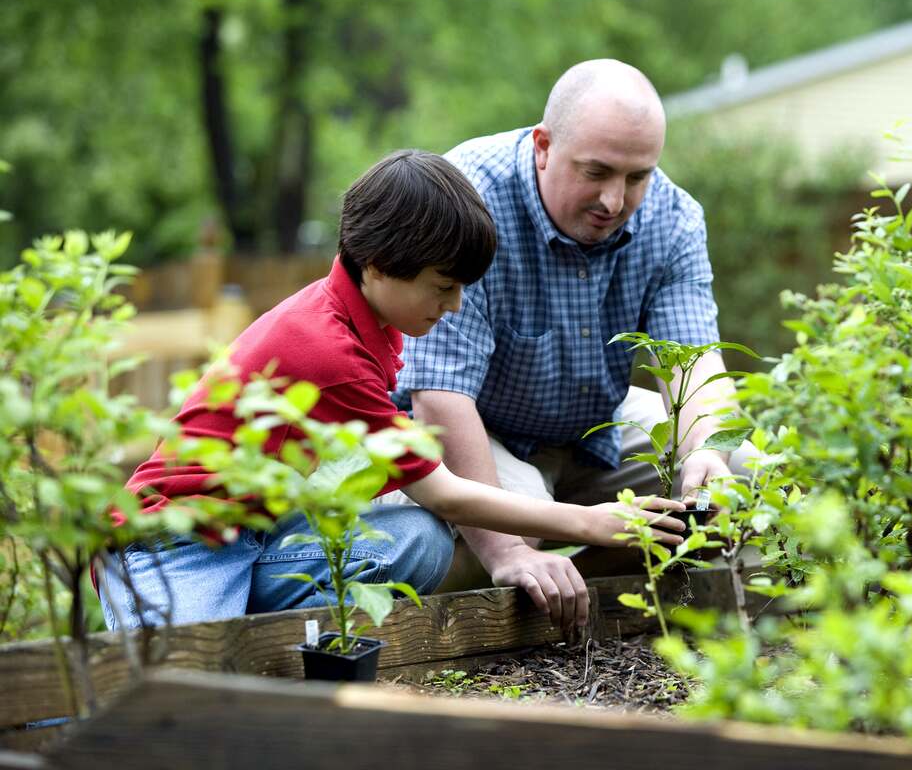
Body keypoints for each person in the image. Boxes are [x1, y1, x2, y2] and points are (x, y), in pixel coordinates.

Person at [98, 149, 685, 632]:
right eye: (442, 286)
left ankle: (256, 630)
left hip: (256, 534)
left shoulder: (370, 325)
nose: (454, 304)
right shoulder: (325, 346)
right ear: (378, 266)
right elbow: (446, 492)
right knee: (172, 691)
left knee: (417, 543)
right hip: (177, 542)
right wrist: (589, 523)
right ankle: (175, 619)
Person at [393, 60, 754, 633]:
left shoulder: (674, 218)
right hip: (479, 425)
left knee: (746, 475)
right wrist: (509, 551)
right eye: (597, 172)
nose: (615, 199)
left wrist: (705, 452)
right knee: (515, 525)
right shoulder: (467, 198)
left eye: (637, 177)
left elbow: (693, 363)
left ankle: (584, 588)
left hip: (594, 425)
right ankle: (494, 589)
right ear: (543, 146)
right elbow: (439, 397)